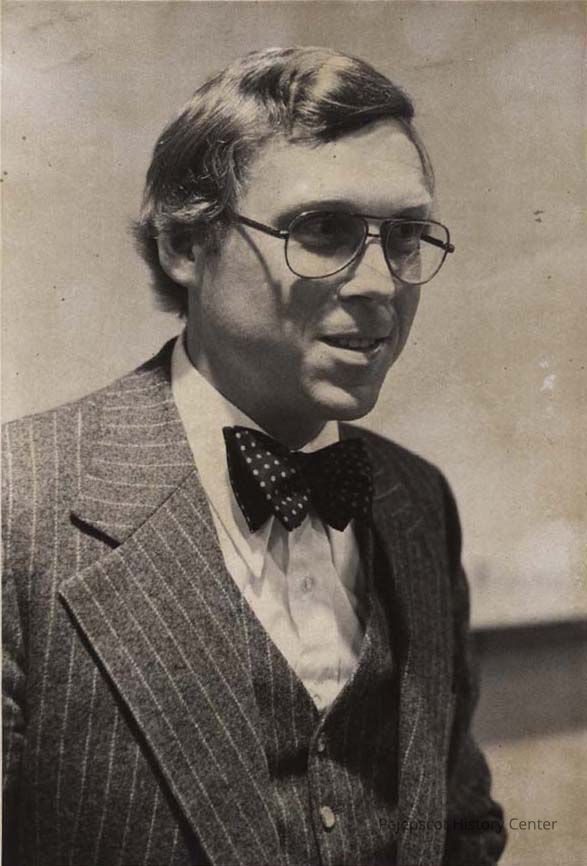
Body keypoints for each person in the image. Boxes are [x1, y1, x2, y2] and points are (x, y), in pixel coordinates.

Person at [2, 46, 506, 866]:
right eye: (323, 230)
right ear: (185, 244)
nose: (380, 283)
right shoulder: (18, 502)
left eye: (404, 235)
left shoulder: (415, 499)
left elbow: (463, 831)